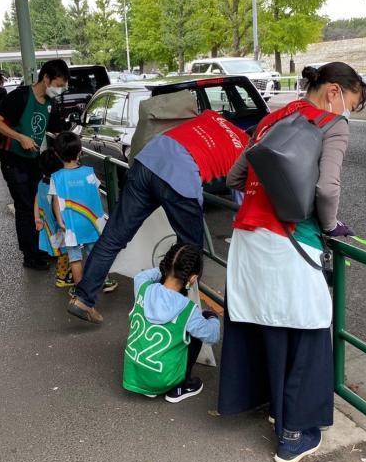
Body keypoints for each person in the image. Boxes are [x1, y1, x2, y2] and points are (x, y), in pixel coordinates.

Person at [218, 62, 366, 462]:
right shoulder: (331, 124)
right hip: (291, 240)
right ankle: (293, 435)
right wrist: (331, 225)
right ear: (335, 91)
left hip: (248, 240)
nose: (347, 114)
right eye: (351, 104)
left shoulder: (272, 117)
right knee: (311, 329)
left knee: (269, 324)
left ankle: (270, 407)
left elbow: (234, 177)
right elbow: (326, 187)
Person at [67, 110, 249, 324]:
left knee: (113, 237)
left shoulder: (211, 116)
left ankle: (83, 299)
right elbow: (241, 192)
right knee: (190, 252)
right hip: (180, 179)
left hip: (147, 160)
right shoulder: (246, 147)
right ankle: (169, 315)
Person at [0, 59, 68, 270]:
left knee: (39, 202)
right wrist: (19, 137)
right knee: (25, 206)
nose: (60, 90)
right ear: (46, 78)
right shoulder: (20, 96)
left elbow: (57, 130)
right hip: (12, 159)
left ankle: (42, 247)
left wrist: (70, 144)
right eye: (58, 85)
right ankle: (30, 255)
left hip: (33, 159)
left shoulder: (50, 103)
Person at [123, 243, 220, 402]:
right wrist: (213, 319)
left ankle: (147, 385)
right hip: (163, 378)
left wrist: (168, 269)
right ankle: (180, 387)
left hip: (134, 373)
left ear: (165, 266)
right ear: (193, 278)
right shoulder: (188, 309)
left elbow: (143, 276)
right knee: (194, 332)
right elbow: (212, 336)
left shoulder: (142, 287)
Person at [49, 132, 117, 294]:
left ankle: (81, 289)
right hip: (91, 222)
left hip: (71, 224)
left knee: (75, 258)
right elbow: (96, 191)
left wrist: (60, 220)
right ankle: (105, 281)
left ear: (57, 154)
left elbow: (56, 201)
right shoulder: (89, 172)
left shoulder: (56, 177)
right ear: (80, 152)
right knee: (96, 254)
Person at [34, 151, 72, 288]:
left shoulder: (41, 182)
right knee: (64, 252)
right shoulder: (56, 186)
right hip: (57, 226)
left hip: (47, 224)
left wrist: (37, 217)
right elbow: (57, 207)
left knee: (60, 252)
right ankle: (62, 278)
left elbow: (36, 200)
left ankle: (65, 274)